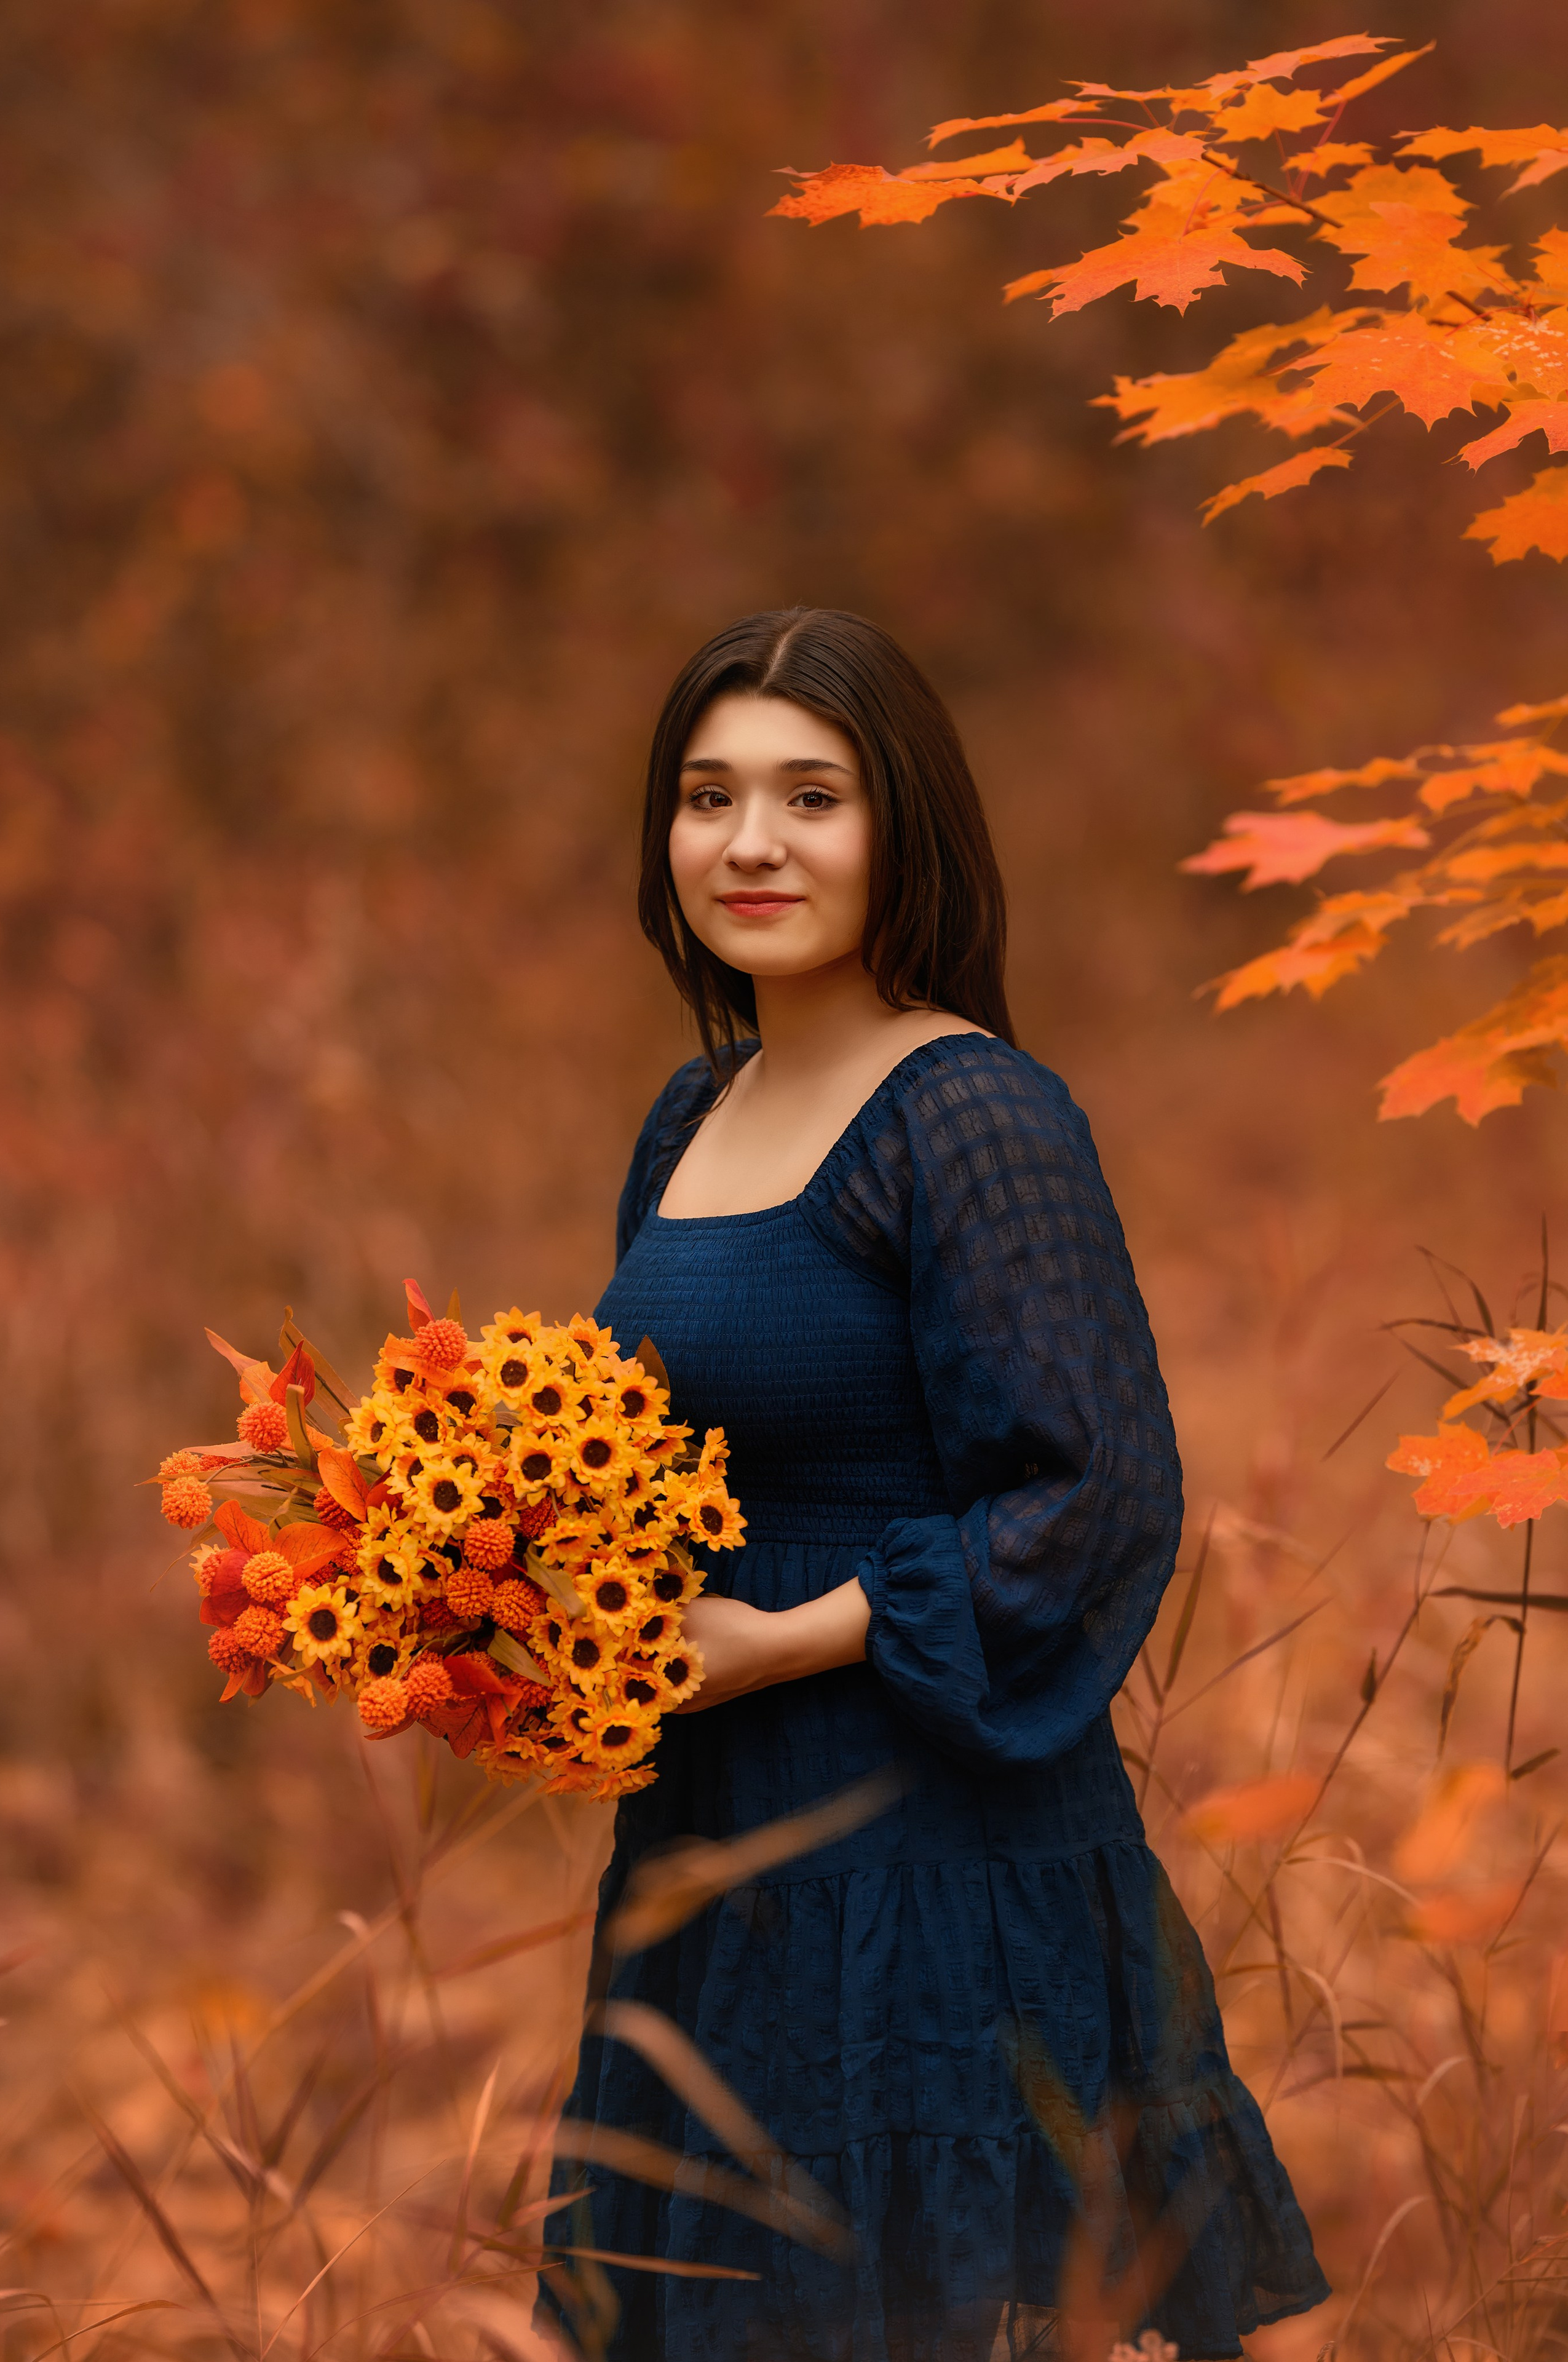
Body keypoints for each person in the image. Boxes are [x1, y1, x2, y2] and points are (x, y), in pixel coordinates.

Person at [556, 609, 1328, 2361]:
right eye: (707, 795)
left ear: (902, 824)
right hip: (717, 1853)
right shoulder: (690, 1120)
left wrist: (789, 1641)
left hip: (936, 1850)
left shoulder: (972, 1112)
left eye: (809, 795)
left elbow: (1098, 1491)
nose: (748, 843)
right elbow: (653, 1473)